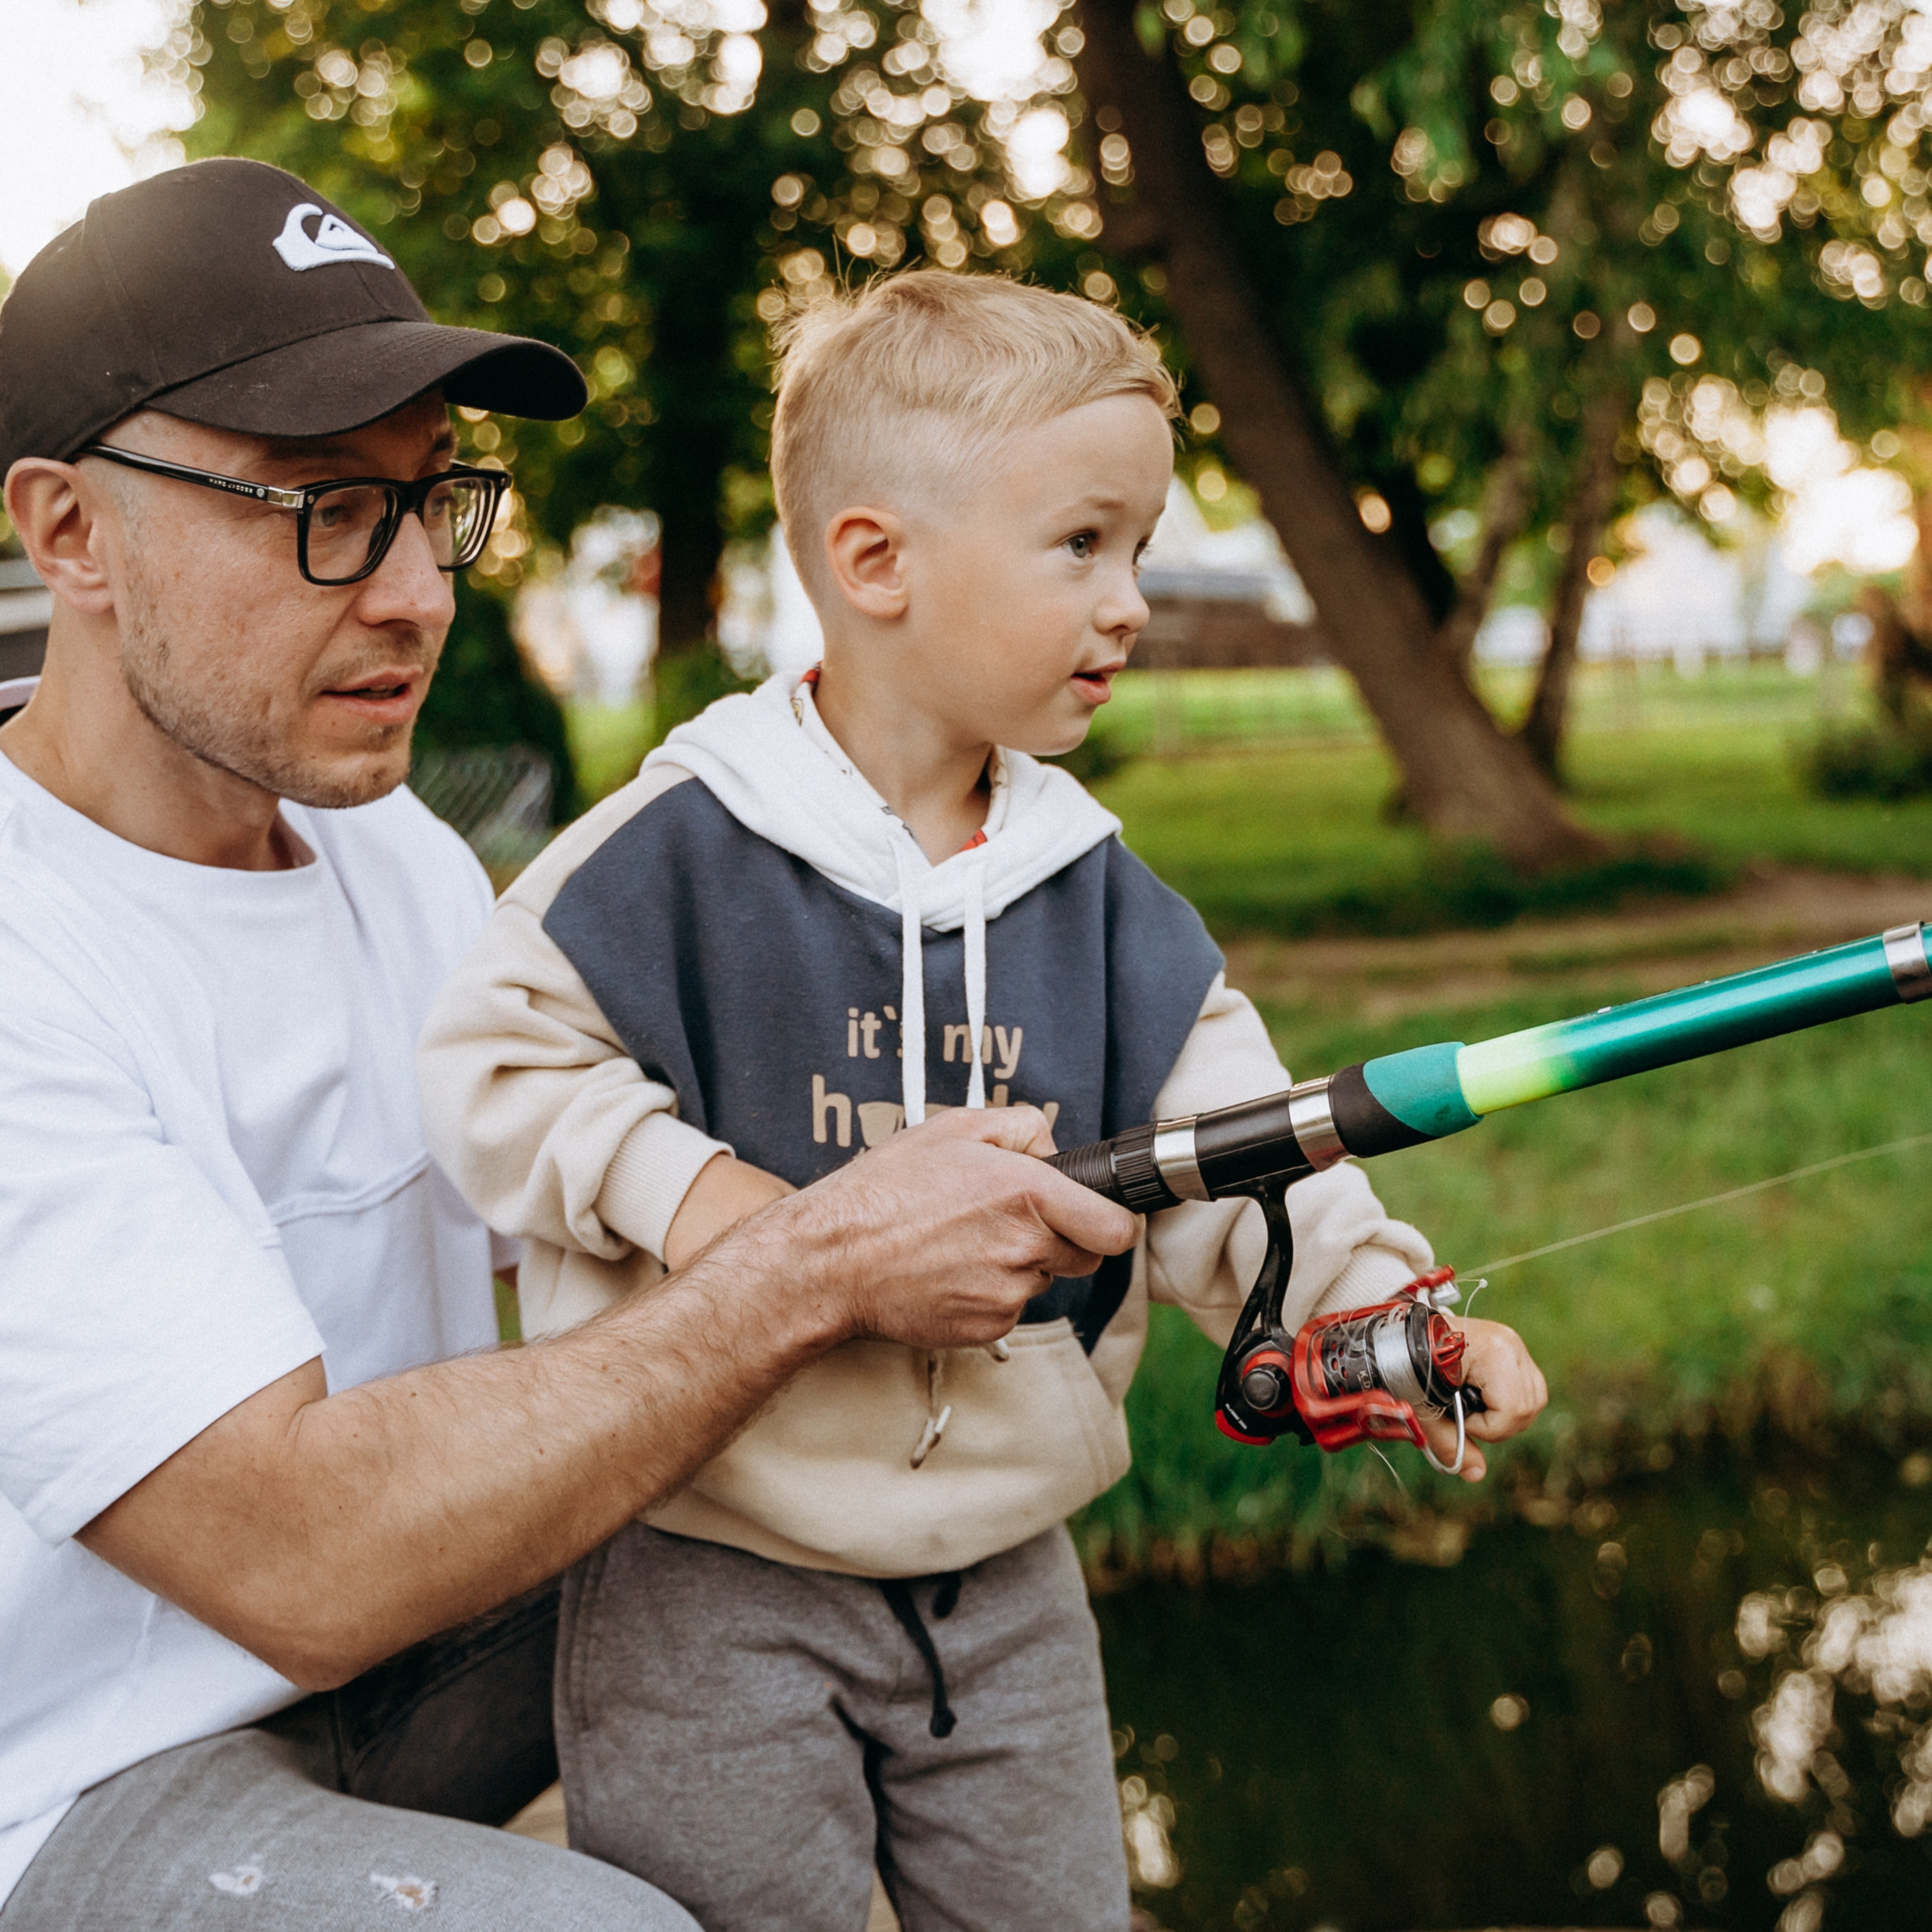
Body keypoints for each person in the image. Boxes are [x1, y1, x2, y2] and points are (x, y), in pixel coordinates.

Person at [0, 164, 1136, 1931]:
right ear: (71, 531)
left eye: (428, 500)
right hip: (89, 1771)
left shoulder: (396, 856)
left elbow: (587, 1203)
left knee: (920, 1559)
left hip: (426, 1655)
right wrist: (819, 1258)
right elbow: (300, 1558)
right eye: (323, 509)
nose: (415, 595)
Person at [419, 271, 1552, 1932]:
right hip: (703, 1574)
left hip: (1008, 1585)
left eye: (1137, 548)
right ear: (874, 562)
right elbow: (495, 1065)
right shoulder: (669, 853)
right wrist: (741, 1223)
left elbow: (1256, 1153)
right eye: (1080, 544)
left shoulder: (1104, 903)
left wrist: (1379, 1310)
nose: (1130, 603)